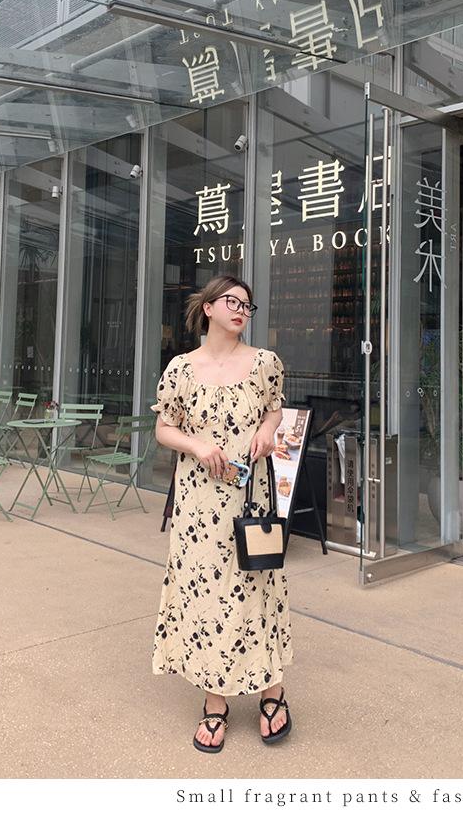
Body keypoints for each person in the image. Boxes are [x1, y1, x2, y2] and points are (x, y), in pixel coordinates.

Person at [151, 274, 293, 752]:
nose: (241, 310)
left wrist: (267, 431)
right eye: (232, 301)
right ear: (208, 307)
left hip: (252, 496)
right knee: (206, 596)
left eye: (247, 305)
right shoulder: (181, 368)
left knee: (258, 585)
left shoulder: (265, 363)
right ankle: (216, 702)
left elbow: (274, 410)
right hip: (198, 502)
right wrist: (196, 445)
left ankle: (272, 691)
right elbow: (164, 428)